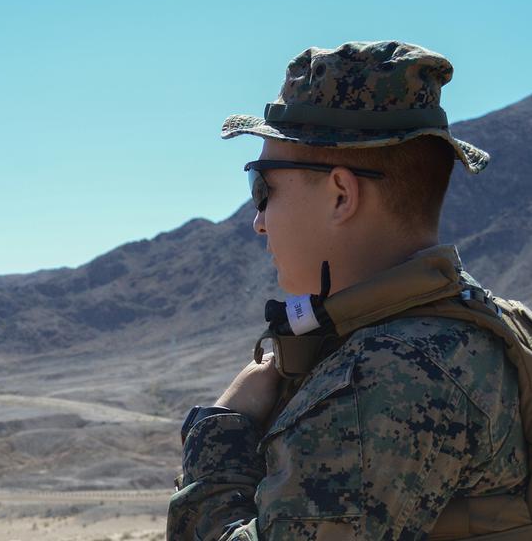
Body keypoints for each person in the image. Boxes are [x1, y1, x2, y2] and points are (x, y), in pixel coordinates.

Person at [167, 41, 530, 540]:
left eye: (263, 189)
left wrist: (221, 435)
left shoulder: (383, 373)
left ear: (341, 195)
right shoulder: (486, 322)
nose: (258, 222)